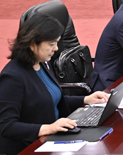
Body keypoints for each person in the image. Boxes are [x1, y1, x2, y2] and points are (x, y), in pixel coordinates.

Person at [0, 14, 109, 155]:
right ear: (32, 44)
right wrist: (48, 128)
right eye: (52, 44)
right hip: (30, 146)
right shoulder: (12, 77)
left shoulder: (42, 63)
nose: (56, 48)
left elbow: (50, 100)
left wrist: (86, 99)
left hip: (54, 137)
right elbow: (6, 126)